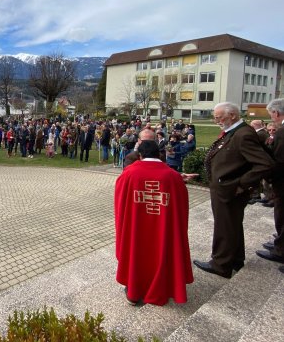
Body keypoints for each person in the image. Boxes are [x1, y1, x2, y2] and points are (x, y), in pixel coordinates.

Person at [194, 102, 274, 278]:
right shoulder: (235, 132)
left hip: (230, 189)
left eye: (219, 117)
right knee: (232, 224)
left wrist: (241, 184)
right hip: (225, 187)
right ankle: (236, 259)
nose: (216, 121)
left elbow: (264, 164)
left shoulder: (243, 134)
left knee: (224, 226)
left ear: (232, 115)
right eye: (215, 117)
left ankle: (221, 264)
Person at [115, 140, 193, 305]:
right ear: (159, 154)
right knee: (162, 254)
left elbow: (120, 203)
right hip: (163, 230)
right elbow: (181, 209)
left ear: (140, 156)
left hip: (136, 229)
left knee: (136, 255)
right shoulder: (173, 177)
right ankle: (162, 289)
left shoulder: (129, 174)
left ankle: (134, 291)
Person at [256, 99, 284, 268]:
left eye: (271, 115)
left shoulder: (282, 133)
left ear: (276, 113)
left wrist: (270, 179)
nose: (271, 118)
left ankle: (280, 250)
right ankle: (280, 242)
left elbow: (279, 161)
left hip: (282, 183)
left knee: (281, 215)